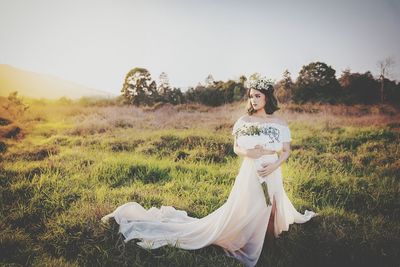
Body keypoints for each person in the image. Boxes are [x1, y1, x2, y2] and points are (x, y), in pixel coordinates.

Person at [101, 77, 316, 267]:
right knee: (251, 206)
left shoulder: (279, 123)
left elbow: (286, 151)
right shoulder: (244, 121)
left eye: (257, 96)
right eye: (251, 96)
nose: (253, 100)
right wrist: (249, 152)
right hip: (251, 170)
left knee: (272, 207)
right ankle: (248, 240)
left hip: (272, 169)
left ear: (267, 97)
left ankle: (270, 246)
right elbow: (236, 147)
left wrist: (274, 165)